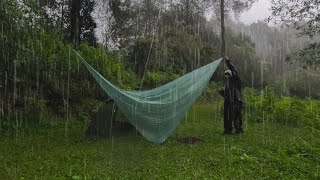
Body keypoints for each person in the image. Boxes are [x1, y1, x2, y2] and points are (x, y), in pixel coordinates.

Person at [218, 56, 243, 134]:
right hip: (228, 101)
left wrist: (228, 62)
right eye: (226, 74)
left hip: (236, 100)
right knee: (227, 116)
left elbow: (234, 70)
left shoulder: (236, 80)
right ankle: (228, 130)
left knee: (236, 115)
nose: (227, 76)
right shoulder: (227, 84)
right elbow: (227, 94)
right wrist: (222, 93)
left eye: (228, 74)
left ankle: (238, 129)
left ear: (232, 74)